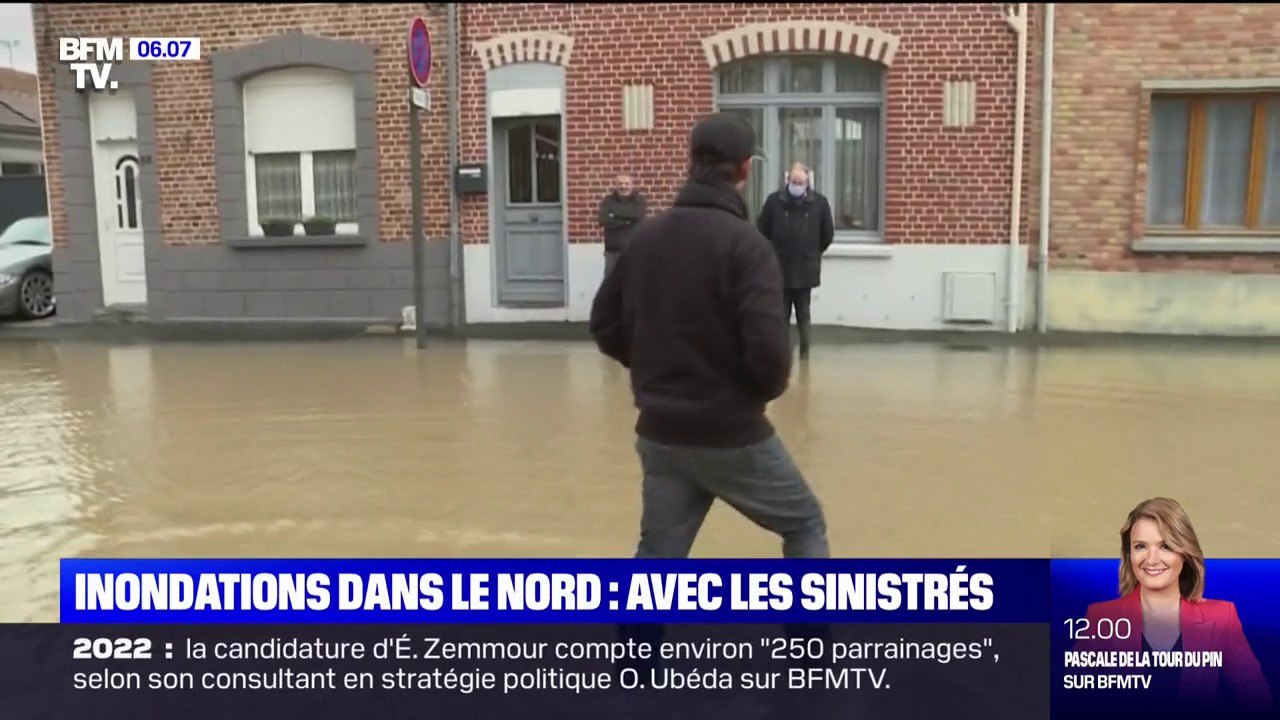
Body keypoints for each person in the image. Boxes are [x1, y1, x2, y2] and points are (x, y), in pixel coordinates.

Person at [588, 112, 829, 562]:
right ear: (745, 170)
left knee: (658, 555)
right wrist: (741, 399)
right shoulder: (749, 246)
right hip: (733, 434)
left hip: (660, 433)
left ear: (691, 164)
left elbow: (604, 326)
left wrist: (652, 369)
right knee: (804, 524)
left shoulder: (645, 239)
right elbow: (771, 359)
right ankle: (807, 633)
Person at [1075, 498, 1272, 714]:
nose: (1151, 560)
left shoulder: (1222, 617)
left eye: (1165, 546)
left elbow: (1257, 698)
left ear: (1185, 553)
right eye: (1140, 546)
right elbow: (1076, 702)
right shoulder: (1100, 618)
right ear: (1129, 553)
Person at [755, 162, 834, 360]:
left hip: (806, 268)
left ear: (808, 183)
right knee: (780, 313)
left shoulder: (820, 204)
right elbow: (763, 230)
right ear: (787, 180)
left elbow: (827, 235)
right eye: (794, 181)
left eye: (801, 182)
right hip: (779, 265)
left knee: (803, 312)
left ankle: (805, 353)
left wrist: (812, 252)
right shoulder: (774, 202)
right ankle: (781, 354)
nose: (797, 185)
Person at [597, 173, 647, 276]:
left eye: (626, 184)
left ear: (632, 185)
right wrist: (628, 220)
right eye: (620, 184)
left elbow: (638, 215)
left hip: (634, 250)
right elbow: (603, 219)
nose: (623, 186)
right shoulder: (608, 201)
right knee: (610, 283)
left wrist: (614, 215)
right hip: (612, 250)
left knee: (634, 281)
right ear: (615, 185)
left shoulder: (639, 200)